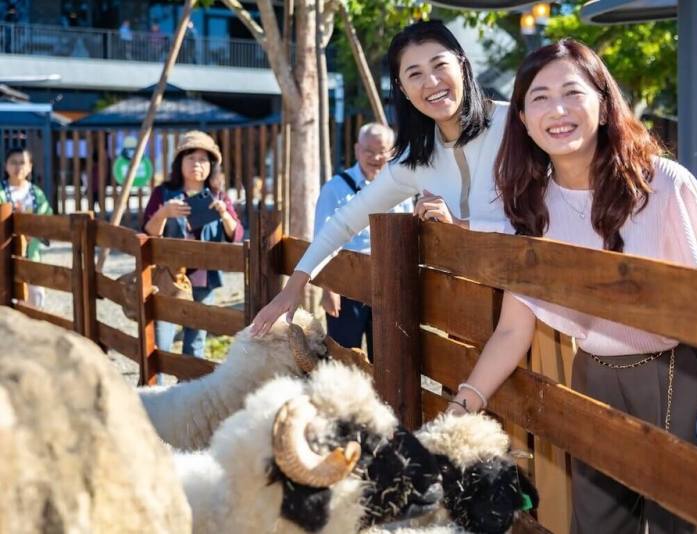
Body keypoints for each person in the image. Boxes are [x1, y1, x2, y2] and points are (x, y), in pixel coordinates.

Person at [447, 40, 697, 534]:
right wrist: (462, 404)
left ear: (602, 102)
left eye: (572, 93)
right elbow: (514, 329)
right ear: (523, 119)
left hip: (677, 379)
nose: (557, 110)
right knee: (597, 526)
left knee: (682, 525)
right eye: (539, 97)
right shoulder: (530, 204)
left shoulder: (664, 184)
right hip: (592, 378)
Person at [252, 20, 509, 334]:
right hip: (466, 320)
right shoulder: (414, 159)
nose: (431, 82)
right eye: (414, 73)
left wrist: (460, 227)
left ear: (462, 63)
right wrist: (292, 288)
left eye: (440, 64)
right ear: (401, 87)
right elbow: (344, 223)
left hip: (538, 310)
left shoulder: (515, 125)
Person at [316, 123, 414, 360]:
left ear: (392, 152)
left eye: (382, 151)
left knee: (387, 357)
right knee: (344, 356)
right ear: (357, 149)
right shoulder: (335, 188)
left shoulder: (401, 188)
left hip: (389, 283)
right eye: (369, 151)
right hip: (346, 284)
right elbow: (321, 240)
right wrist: (328, 289)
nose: (376, 157)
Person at [143, 131, 243, 357]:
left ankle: (188, 390)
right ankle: (154, 390)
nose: (196, 164)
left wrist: (224, 214)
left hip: (203, 277)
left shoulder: (218, 196)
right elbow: (147, 233)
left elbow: (236, 235)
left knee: (196, 343)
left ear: (211, 166)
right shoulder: (163, 193)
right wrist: (164, 213)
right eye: (190, 157)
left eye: (203, 159)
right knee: (160, 342)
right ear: (179, 162)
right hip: (168, 276)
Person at [0, 147, 53, 308]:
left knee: (36, 298)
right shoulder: (1, 191)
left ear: (30, 166)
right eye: (13, 163)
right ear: (5, 166)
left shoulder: (37, 193)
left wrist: (33, 230)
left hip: (32, 254)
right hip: (4, 256)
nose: (18, 167)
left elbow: (47, 219)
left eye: (22, 163)